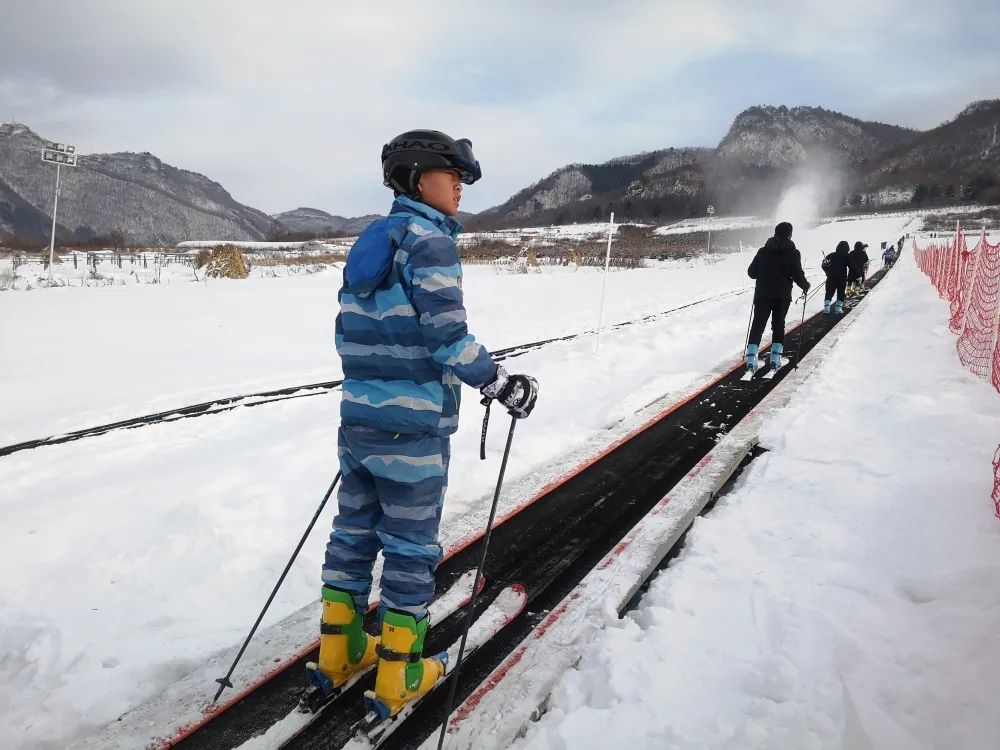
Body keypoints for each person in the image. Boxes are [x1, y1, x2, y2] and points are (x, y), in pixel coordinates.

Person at [315, 130, 539, 719]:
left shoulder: (374, 239)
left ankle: (340, 650)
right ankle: (399, 673)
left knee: (354, 535)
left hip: (358, 422)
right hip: (412, 432)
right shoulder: (430, 242)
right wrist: (500, 383)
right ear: (419, 179)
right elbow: (447, 338)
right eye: (451, 174)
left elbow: (348, 332)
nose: (461, 186)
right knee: (411, 551)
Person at [746, 221, 810, 372]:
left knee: (757, 325)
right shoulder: (794, 253)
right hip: (782, 296)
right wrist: (805, 285)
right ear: (789, 234)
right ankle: (775, 359)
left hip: (762, 295)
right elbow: (797, 275)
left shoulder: (763, 251)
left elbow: (751, 273)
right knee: (778, 325)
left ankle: (750, 360)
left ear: (775, 233)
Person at [822, 240, 851, 314]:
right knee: (841, 293)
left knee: (829, 292)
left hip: (831, 277)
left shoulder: (831, 255)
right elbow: (852, 266)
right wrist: (858, 275)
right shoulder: (846, 256)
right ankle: (838, 309)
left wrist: (827, 272)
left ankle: (826, 309)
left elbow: (823, 264)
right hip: (841, 278)